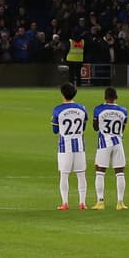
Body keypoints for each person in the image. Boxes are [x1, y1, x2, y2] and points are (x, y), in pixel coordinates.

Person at [51, 81, 88, 211]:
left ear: (62, 94)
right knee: (81, 175)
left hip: (64, 147)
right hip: (79, 146)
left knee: (64, 175)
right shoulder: (82, 108)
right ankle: (82, 203)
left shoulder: (57, 110)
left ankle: (65, 203)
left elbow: (55, 130)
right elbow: (83, 126)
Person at [91, 86, 129, 210]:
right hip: (118, 143)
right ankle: (120, 203)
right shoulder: (123, 110)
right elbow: (122, 128)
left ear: (105, 97)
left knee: (100, 171)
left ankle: (100, 202)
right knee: (120, 172)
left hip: (104, 144)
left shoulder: (98, 109)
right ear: (116, 97)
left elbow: (95, 128)